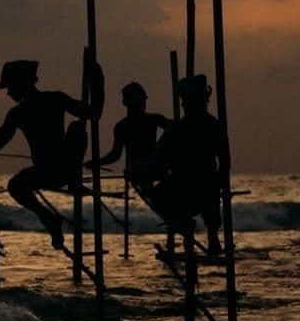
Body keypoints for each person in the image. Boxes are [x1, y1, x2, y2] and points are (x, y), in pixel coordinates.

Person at [0, 59, 104, 248]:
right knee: (15, 185)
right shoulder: (47, 102)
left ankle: (61, 198)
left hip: (60, 169)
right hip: (47, 172)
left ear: (22, 84)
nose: (8, 93)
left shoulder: (24, 110)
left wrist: (98, 81)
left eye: (10, 86)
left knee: (77, 127)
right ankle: (49, 219)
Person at [146, 75, 227, 255]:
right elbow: (159, 157)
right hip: (183, 185)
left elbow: (224, 161)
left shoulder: (210, 126)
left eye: (187, 101)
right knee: (158, 196)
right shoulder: (180, 128)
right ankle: (188, 227)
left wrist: (219, 183)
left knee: (208, 195)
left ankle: (211, 236)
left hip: (202, 186)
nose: (183, 105)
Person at [89, 82, 170, 191]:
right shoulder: (123, 126)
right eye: (140, 101)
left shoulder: (153, 119)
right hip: (139, 169)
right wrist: (97, 162)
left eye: (143, 101)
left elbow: (176, 129)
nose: (143, 104)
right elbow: (115, 155)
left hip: (152, 166)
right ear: (128, 103)